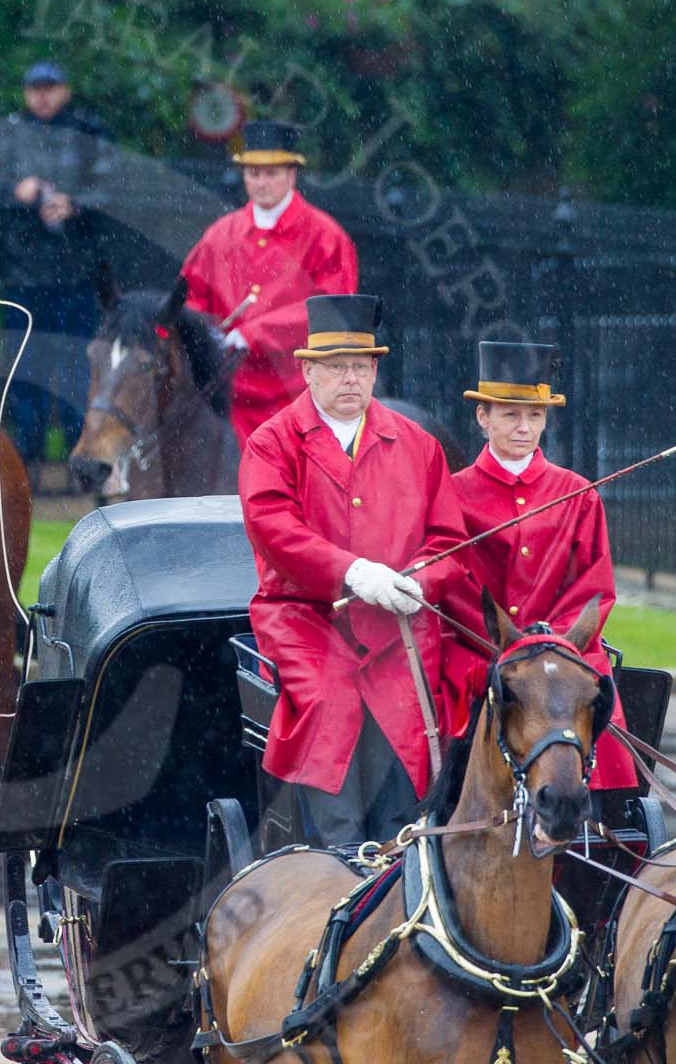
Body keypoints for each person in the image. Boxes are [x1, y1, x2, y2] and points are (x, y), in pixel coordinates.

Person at [239, 294, 469, 849]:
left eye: (361, 367)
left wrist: (420, 581)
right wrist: (352, 572)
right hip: (308, 623)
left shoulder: (419, 446)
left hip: (398, 629)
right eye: (336, 367)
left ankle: (399, 880)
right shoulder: (271, 443)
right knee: (327, 711)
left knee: (405, 743)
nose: (351, 379)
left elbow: (449, 543)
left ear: (375, 370)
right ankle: (333, 867)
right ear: (308, 371)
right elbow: (273, 528)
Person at [438, 341, 638, 791]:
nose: (524, 428)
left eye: (535, 415)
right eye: (510, 415)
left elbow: (594, 587)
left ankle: (599, 809)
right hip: (478, 646)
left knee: (592, 686)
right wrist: (505, 640)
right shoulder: (451, 492)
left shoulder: (578, 492)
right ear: (482, 418)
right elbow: (451, 583)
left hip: (565, 647)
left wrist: (555, 641)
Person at [179, 120, 358, 442]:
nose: (261, 183)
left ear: (291, 175)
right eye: (253, 174)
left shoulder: (324, 236)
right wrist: (205, 334)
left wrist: (254, 334)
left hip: (302, 393)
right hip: (229, 396)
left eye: (271, 174)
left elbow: (334, 310)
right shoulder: (220, 236)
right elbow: (191, 299)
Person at [0, 61, 115, 461]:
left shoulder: (87, 131)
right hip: (23, 275)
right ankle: (27, 457)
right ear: (25, 92)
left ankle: (77, 456)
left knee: (76, 365)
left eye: (51, 87)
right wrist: (15, 190)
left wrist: (74, 204)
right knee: (24, 367)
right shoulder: (7, 134)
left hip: (75, 273)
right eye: (35, 88)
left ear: (65, 90)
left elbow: (111, 187)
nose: (43, 95)